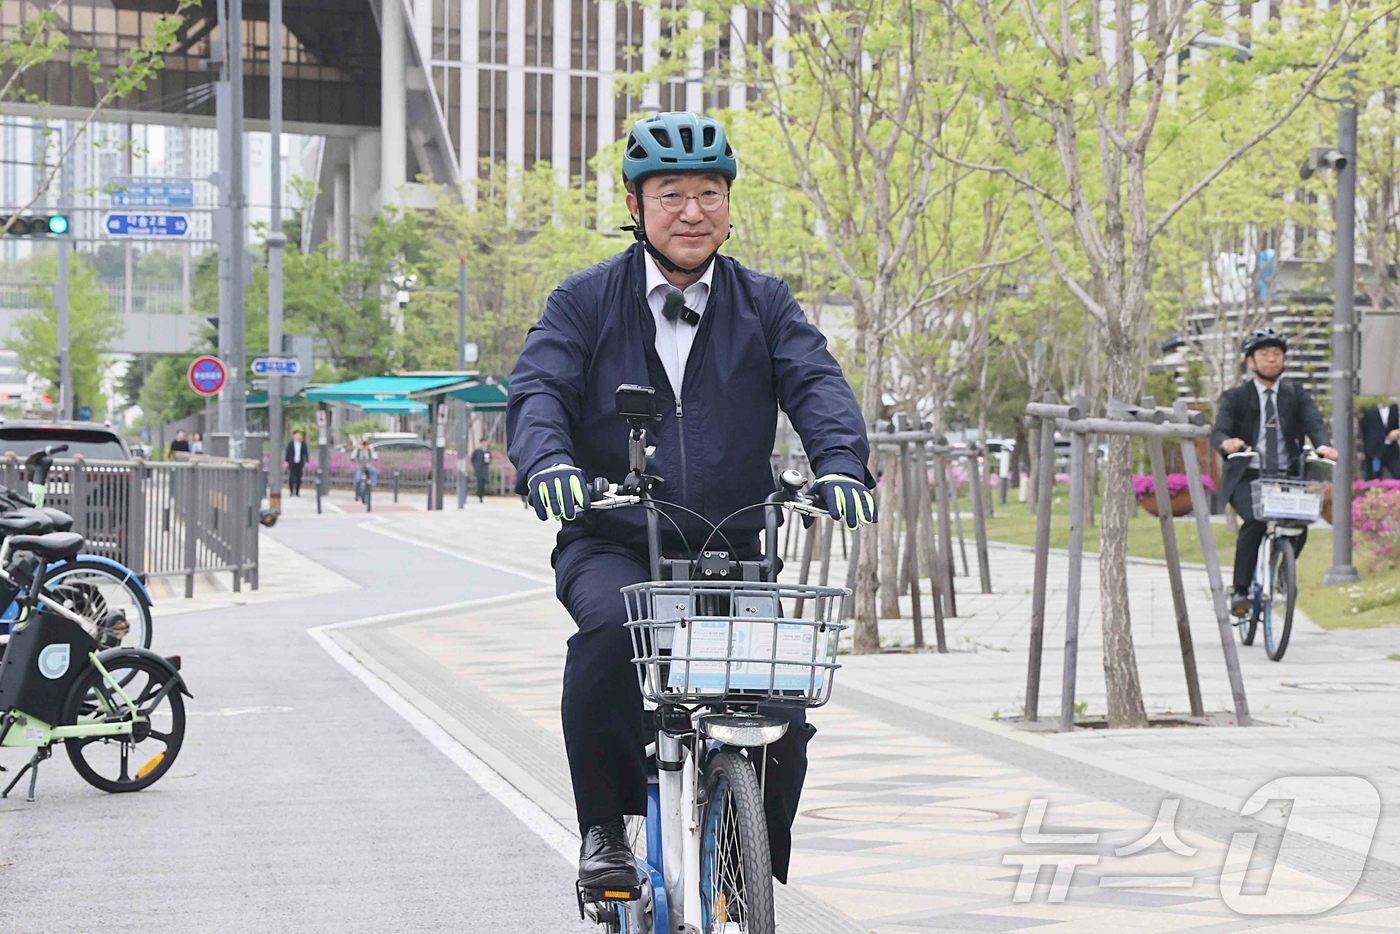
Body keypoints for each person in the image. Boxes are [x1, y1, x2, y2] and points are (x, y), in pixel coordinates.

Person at [507, 111, 877, 893]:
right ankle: (606, 832)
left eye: (710, 193)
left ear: (730, 206)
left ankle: (744, 869)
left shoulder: (765, 303)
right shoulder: (584, 301)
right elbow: (539, 388)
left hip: (731, 548)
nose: (692, 211)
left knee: (784, 702)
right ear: (636, 207)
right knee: (608, 638)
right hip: (612, 542)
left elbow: (817, 384)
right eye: (670, 194)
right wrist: (548, 461)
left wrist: (842, 463)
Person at [1212, 327, 1338, 617]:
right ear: (1251, 361)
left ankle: (1283, 574)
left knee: (1301, 521)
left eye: (1277, 354)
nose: (1272, 359)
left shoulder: (1296, 395)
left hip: (1286, 474)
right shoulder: (1235, 397)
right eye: (1265, 354)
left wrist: (1323, 446)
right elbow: (1219, 430)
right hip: (1248, 476)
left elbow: (1315, 423)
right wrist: (1227, 443)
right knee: (1256, 520)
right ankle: (1241, 591)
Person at [1359, 398, 1400, 480]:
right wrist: (1360, 450)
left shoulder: (1393, 407)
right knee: (1374, 476)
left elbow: (1395, 426)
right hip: (1374, 451)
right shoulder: (1368, 408)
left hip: (1392, 449)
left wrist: (1397, 432)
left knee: (1397, 472)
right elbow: (1362, 431)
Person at [351, 436, 378, 502]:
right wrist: (353, 458)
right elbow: (352, 456)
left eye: (365, 444)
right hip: (360, 467)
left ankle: (372, 486)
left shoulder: (370, 449)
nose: (364, 445)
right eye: (363, 443)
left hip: (368, 466)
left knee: (374, 471)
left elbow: (374, 455)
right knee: (358, 480)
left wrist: (375, 458)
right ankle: (357, 494)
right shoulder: (358, 449)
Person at [285, 430, 310, 496]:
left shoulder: (303, 444)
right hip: (292, 462)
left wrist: (307, 461)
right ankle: (291, 491)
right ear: (294, 436)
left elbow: (305, 453)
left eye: (300, 435)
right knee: (291, 477)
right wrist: (286, 461)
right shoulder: (290, 444)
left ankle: (297, 492)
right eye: (297, 435)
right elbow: (288, 453)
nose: (298, 436)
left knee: (299, 477)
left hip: (299, 463)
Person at [470, 439, 492, 503]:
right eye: (483, 443)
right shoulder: (476, 451)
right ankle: (480, 496)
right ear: (480, 443)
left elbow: (490, 459)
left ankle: (481, 495)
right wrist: (475, 467)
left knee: (483, 483)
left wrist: (489, 461)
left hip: (485, 470)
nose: (484, 444)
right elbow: (472, 460)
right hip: (478, 470)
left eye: (485, 443)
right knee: (479, 483)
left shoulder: (487, 452)